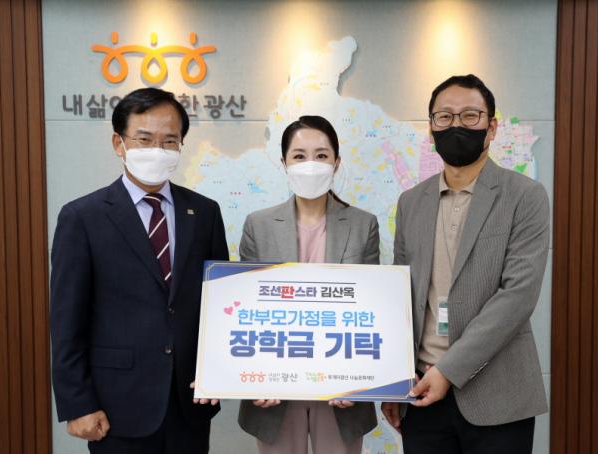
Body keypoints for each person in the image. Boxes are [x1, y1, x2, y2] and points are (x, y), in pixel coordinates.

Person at [50, 87, 229, 453]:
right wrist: (78, 403)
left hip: (189, 402)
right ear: (119, 143)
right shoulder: (82, 217)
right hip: (116, 405)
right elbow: (67, 321)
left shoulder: (204, 212)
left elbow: (221, 305)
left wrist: (218, 371)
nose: (157, 150)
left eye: (169, 141)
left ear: (181, 146)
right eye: (144, 139)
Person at [382, 74, 549, 454]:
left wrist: (448, 370)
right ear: (431, 129)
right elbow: (401, 297)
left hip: (498, 395)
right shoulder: (411, 202)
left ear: (492, 128)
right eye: (444, 116)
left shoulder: (525, 196)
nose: (456, 125)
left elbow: (518, 295)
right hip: (420, 391)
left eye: (470, 115)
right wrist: (392, 381)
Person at [236, 115, 379, 454]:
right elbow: (247, 311)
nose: (310, 164)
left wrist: (358, 381)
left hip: (341, 390)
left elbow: (372, 310)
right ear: (284, 163)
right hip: (275, 390)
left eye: (321, 155)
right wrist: (257, 377)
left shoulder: (363, 225)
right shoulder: (258, 225)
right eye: (299, 156)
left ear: (336, 162)